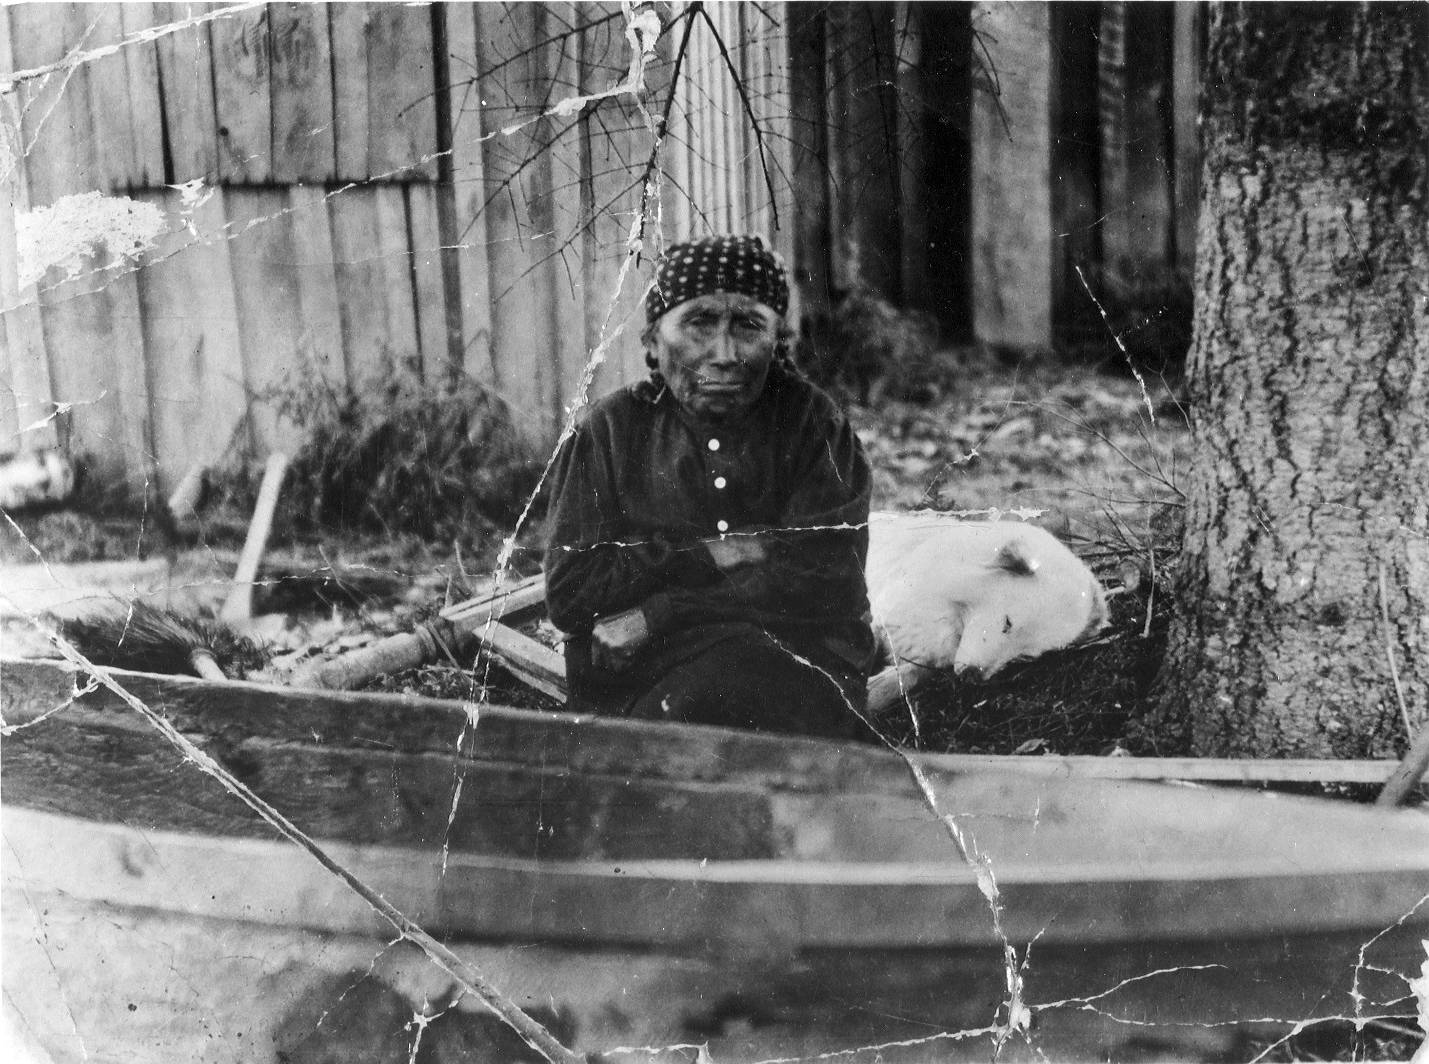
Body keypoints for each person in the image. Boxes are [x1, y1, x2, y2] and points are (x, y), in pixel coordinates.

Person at [543, 234, 876, 740]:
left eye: (748, 325)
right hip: (642, 670)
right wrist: (719, 552)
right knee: (707, 701)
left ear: (777, 340)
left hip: (798, 662)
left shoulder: (814, 425)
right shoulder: (610, 431)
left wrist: (661, 611)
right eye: (699, 322)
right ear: (654, 340)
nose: (724, 353)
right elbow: (572, 592)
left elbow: (829, 581)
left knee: (741, 683)